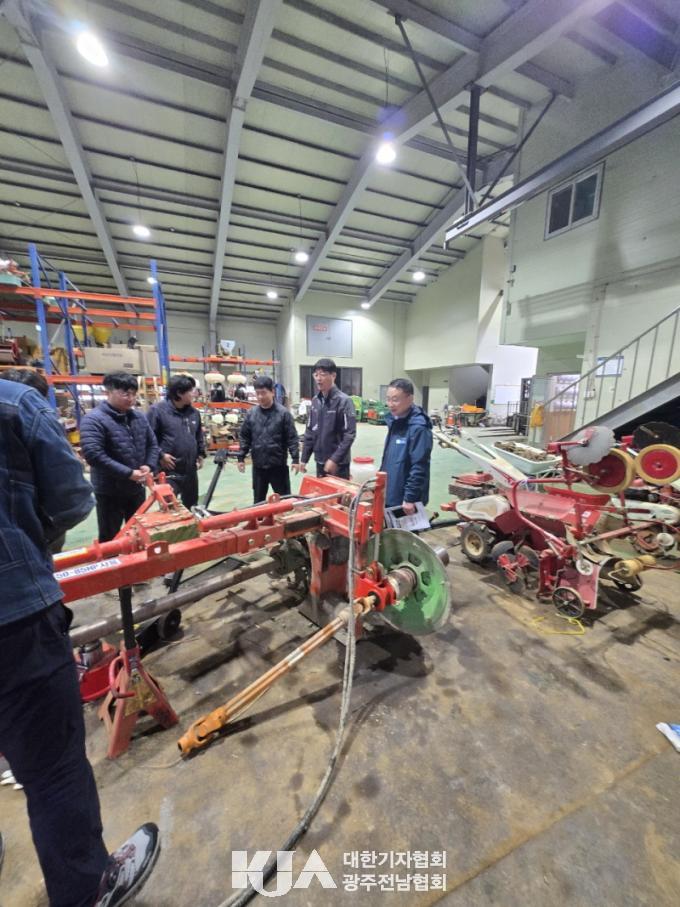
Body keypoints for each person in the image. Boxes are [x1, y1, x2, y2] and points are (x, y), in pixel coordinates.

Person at [0, 378, 160, 907]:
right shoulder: (14, 404)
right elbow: (71, 498)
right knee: (52, 769)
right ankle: (85, 888)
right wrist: (28, 545)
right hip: (15, 620)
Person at [80, 371, 159, 542]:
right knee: (111, 538)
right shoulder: (94, 419)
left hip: (136, 489)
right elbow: (93, 455)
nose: (130, 398)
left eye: (133, 394)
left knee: (139, 533)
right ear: (107, 392)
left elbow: (152, 444)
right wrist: (128, 473)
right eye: (125, 393)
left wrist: (149, 465)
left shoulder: (138, 417)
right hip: (110, 492)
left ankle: (137, 560)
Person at [237, 375, 302, 503]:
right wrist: (241, 457)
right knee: (258, 503)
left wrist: (295, 459)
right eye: (258, 393)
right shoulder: (251, 414)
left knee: (284, 501)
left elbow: (292, 438)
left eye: (264, 393)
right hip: (259, 467)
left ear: (272, 392)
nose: (260, 397)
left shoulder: (283, 414)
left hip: (278, 466)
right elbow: (245, 437)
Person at [147, 374, 206, 509]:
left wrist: (200, 453)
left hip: (190, 470)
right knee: (169, 507)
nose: (194, 394)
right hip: (168, 470)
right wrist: (160, 455)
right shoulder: (157, 411)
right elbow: (148, 438)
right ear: (179, 393)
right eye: (191, 391)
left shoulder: (193, 413)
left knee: (192, 505)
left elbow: (198, 435)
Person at [380, 378, 433, 513]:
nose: (390, 404)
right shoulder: (396, 421)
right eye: (388, 399)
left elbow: (419, 465)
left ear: (410, 398)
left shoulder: (418, 427)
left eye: (395, 400)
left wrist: (410, 498)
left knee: (404, 527)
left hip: (405, 500)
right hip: (391, 493)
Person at [300, 358, 356, 478]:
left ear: (333, 375)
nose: (318, 378)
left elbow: (349, 435)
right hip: (320, 462)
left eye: (323, 374)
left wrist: (334, 459)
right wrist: (304, 459)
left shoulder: (344, 401)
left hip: (338, 465)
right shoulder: (315, 401)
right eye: (316, 375)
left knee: (337, 491)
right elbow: (310, 431)